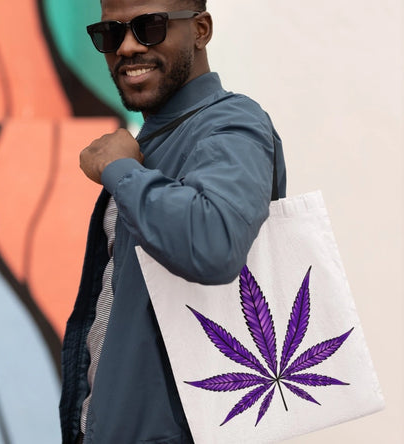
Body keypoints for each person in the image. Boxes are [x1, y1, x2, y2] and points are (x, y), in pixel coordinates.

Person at [59, 0, 286, 443]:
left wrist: (121, 171)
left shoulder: (231, 123)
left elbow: (214, 244)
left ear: (200, 30)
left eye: (150, 27)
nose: (126, 47)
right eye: (110, 33)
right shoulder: (158, 139)